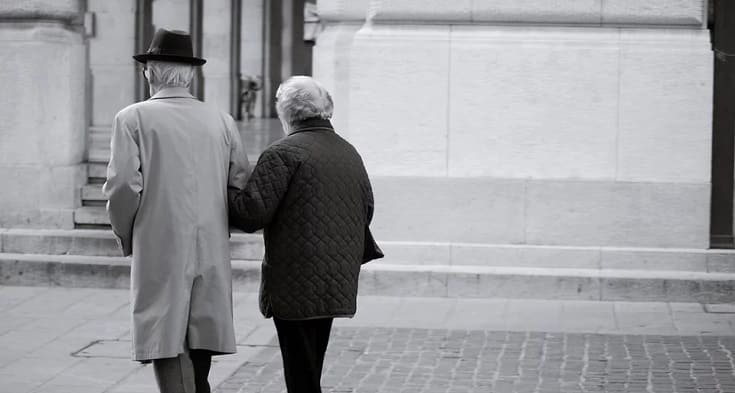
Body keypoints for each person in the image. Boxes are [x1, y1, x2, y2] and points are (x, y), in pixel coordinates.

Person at [103, 28, 249, 393]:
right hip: (209, 242)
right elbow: (240, 182)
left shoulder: (132, 118)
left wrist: (127, 232)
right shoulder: (221, 120)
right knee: (200, 336)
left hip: (159, 240)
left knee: (165, 336)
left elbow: (123, 186)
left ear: (150, 71)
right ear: (190, 74)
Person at [228, 76, 379, 393]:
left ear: (285, 112)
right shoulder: (347, 151)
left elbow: (250, 214)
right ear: (326, 109)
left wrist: (227, 185)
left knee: (300, 372)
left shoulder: (282, 153)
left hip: (295, 277)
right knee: (311, 363)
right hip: (336, 274)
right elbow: (366, 207)